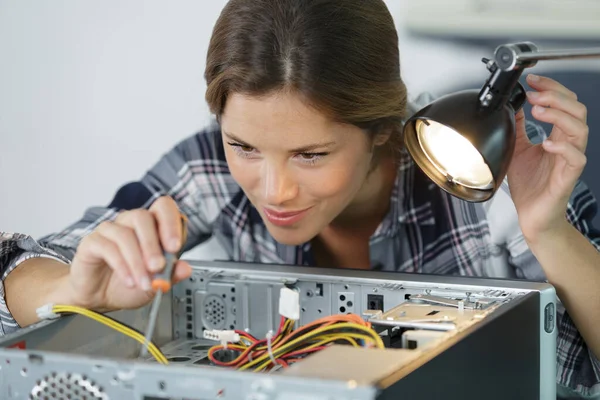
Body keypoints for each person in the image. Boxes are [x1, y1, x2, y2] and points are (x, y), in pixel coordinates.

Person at [1, 0, 599, 397]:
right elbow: (22, 266)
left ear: (384, 129)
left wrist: (550, 231)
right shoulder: (207, 165)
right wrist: (66, 292)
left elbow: (579, 375)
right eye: (245, 146)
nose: (272, 190)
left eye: (312, 155)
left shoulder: (483, 180)